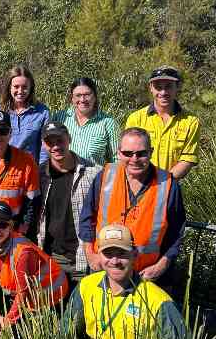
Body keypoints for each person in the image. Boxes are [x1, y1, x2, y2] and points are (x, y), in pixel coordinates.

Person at [61, 224, 186, 339]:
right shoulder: (86, 286)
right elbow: (67, 331)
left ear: (135, 254)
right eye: (108, 253)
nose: (114, 261)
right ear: (99, 255)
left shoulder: (158, 301)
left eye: (122, 253)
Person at [79, 128, 186, 288]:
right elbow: (87, 218)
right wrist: (90, 255)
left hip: (146, 276)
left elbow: (176, 232)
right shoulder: (105, 176)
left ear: (151, 152)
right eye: (128, 153)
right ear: (119, 153)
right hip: (104, 270)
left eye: (141, 153)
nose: (134, 159)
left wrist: (162, 265)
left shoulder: (168, 185)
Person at [0, 202, 68, 329]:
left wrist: (7, 324)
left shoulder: (23, 252)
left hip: (50, 295)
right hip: (24, 294)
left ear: (11, 226)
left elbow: (23, 292)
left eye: (2, 224)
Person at [36, 122, 102, 286]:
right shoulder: (39, 174)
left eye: (60, 140)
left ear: (69, 139)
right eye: (50, 142)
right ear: (43, 145)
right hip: (52, 257)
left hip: (84, 257)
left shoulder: (94, 173)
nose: (56, 146)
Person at [124, 66, 200, 179]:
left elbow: (187, 159)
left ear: (177, 87)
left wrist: (164, 183)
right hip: (138, 183)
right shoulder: (135, 119)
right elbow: (128, 155)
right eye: (158, 87)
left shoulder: (191, 122)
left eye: (168, 86)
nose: (163, 92)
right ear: (151, 88)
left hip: (171, 184)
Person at [0, 109, 39, 237]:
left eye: (3, 131)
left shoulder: (26, 161)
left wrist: (21, 230)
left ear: (10, 133)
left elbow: (32, 201)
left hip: (12, 229)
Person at [52, 77, 120, 165]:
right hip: (64, 173)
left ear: (95, 97)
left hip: (96, 173)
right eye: (78, 95)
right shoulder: (60, 118)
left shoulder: (108, 123)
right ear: (72, 98)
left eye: (87, 95)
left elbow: (116, 159)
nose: (83, 100)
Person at [0, 65, 50, 164]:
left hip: (30, 168)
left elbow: (44, 148)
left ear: (31, 88)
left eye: (25, 87)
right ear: (9, 87)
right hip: (4, 167)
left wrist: (39, 169)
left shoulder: (42, 112)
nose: (20, 91)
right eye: (16, 87)